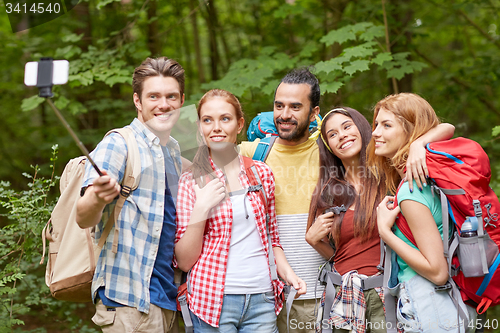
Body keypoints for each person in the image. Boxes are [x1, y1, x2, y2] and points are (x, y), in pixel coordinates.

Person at [305, 107, 454, 332]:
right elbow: (345, 254)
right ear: (328, 146)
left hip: (387, 296)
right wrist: (315, 241)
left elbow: (447, 128)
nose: (342, 135)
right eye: (332, 134)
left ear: (364, 129)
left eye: (347, 127)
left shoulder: (390, 173)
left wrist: (417, 145)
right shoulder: (328, 191)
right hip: (343, 299)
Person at [174, 89, 306, 332]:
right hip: (212, 300)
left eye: (225, 119)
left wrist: (289, 274)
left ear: (239, 124)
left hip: (263, 299)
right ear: (200, 128)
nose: (216, 127)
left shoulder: (261, 173)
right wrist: (201, 207)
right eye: (207, 120)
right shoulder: (190, 180)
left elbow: (271, 239)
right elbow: (184, 261)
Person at [76, 57, 189, 332]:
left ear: (182, 100)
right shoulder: (119, 143)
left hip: (168, 301)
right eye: (154, 96)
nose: (164, 104)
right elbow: (83, 216)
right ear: (138, 101)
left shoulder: (175, 153)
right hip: (129, 302)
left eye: (171, 96)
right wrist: (97, 196)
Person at [371, 93, 477, 332]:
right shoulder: (429, 178)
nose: (375, 132)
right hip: (446, 304)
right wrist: (419, 144)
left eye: (386, 125)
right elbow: (446, 127)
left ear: (411, 131)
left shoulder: (411, 191)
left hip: (430, 305)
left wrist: (385, 232)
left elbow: (437, 272)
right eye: (376, 124)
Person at [239, 68, 324, 333]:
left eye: (295, 106)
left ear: (314, 113)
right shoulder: (251, 154)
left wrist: (417, 145)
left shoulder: (331, 152)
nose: (284, 115)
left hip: (324, 294)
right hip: (266, 299)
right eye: (279, 105)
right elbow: (187, 160)